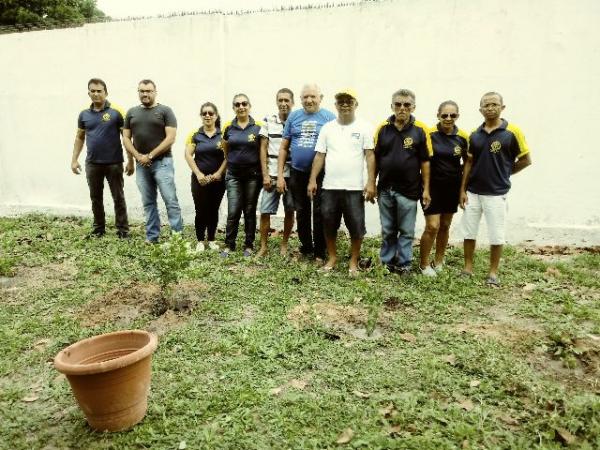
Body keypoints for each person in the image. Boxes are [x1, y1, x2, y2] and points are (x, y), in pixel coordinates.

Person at [459, 92, 532, 285]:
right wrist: (462, 190)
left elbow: (526, 160)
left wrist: (506, 173)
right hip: (473, 192)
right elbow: (468, 163)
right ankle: (467, 268)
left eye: (494, 104)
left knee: (496, 234)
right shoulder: (475, 134)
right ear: (480, 109)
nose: (490, 108)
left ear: (502, 107)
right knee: (468, 232)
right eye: (486, 105)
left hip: (496, 194)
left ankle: (493, 273)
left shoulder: (512, 132)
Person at [307, 89, 376, 275]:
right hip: (330, 187)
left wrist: (371, 183)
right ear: (336, 105)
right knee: (328, 224)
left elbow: (370, 156)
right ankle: (332, 258)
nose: (345, 104)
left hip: (354, 188)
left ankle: (353, 261)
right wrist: (312, 180)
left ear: (356, 104)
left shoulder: (365, 127)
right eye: (341, 101)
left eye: (349, 100)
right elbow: (320, 155)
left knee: (356, 226)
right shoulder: (327, 128)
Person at [373, 89, 432, 274]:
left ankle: (404, 263)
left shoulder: (421, 130)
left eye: (407, 105)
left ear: (413, 107)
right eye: (398, 104)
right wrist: (371, 184)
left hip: (409, 190)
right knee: (388, 229)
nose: (402, 108)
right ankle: (387, 262)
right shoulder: (382, 128)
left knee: (406, 231)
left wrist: (426, 190)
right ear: (392, 106)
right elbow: (375, 158)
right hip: (385, 188)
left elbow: (425, 162)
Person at [277, 84, 336, 261]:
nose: (309, 100)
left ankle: (320, 251)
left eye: (313, 96)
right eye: (305, 97)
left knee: (320, 212)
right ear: (301, 99)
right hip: (297, 173)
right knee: (301, 212)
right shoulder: (294, 117)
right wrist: (280, 175)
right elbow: (283, 148)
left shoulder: (329, 118)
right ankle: (307, 248)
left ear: (321, 98)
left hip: (322, 175)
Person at [71, 78, 133, 239]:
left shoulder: (117, 112)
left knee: (118, 197)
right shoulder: (84, 114)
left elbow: (126, 138)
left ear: (106, 92)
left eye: (99, 91)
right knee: (95, 197)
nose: (96, 94)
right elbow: (79, 137)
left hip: (114, 163)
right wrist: (74, 159)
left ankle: (123, 230)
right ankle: (99, 228)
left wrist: (130, 160)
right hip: (92, 164)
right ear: (88, 93)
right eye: (93, 91)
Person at [122, 79, 183, 243]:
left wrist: (150, 156)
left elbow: (171, 138)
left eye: (148, 91)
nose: (145, 94)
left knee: (170, 201)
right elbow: (126, 138)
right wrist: (138, 156)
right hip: (141, 165)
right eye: (142, 91)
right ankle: (152, 237)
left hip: (163, 163)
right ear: (138, 92)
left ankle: (177, 239)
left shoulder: (165, 111)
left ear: (155, 92)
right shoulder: (131, 112)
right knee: (148, 202)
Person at [418, 101, 469, 276]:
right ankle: (424, 264)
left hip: (452, 187)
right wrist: (425, 188)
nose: (448, 118)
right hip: (431, 188)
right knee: (432, 226)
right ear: (438, 115)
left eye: (452, 115)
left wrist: (463, 189)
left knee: (445, 226)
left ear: (458, 116)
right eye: (444, 115)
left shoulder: (463, 137)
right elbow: (422, 161)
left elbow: (468, 162)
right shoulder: (429, 134)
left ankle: (438, 260)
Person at [221, 94, 263, 257]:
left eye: (244, 103)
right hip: (233, 175)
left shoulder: (258, 127)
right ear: (233, 108)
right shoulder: (228, 127)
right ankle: (229, 245)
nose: (241, 107)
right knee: (233, 210)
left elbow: (262, 150)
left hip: (253, 175)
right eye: (237, 104)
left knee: (249, 210)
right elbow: (225, 148)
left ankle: (249, 245)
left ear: (249, 106)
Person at [257, 88, 296, 257]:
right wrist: (265, 175)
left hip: (292, 176)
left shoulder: (297, 121)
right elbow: (263, 148)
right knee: (265, 211)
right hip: (271, 176)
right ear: (276, 102)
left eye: (287, 100)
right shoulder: (268, 121)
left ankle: (284, 245)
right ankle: (263, 247)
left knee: (290, 211)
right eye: (280, 100)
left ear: (292, 102)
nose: (283, 104)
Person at [184, 102, 226, 252]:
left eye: (210, 113)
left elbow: (228, 157)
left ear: (216, 116)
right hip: (199, 180)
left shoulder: (222, 135)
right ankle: (200, 240)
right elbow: (188, 155)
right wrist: (198, 174)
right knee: (201, 210)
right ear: (201, 116)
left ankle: (212, 239)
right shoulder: (195, 135)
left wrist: (219, 173)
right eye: (204, 113)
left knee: (214, 209)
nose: (207, 116)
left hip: (218, 180)